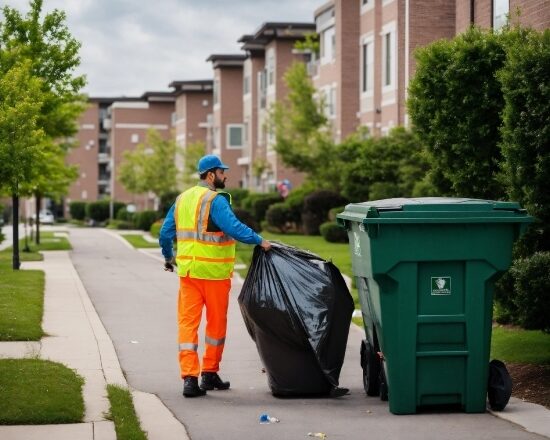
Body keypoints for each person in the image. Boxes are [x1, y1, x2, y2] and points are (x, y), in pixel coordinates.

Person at [159, 154, 271, 398]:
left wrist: (168, 258)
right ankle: (209, 373)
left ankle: (190, 379)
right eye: (221, 172)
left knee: (188, 325)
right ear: (211, 175)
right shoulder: (215, 200)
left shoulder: (182, 199)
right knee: (216, 324)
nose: (225, 176)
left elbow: (165, 233)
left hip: (189, 274)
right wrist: (260, 241)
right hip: (215, 275)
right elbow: (234, 228)